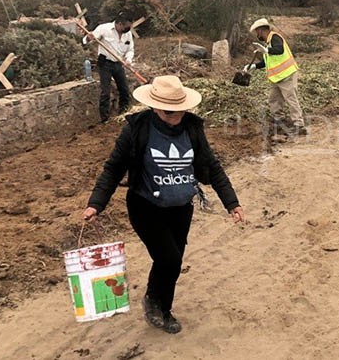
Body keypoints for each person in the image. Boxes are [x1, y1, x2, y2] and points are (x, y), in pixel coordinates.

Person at [82, 75, 245, 334]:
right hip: (145, 207)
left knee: (172, 261)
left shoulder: (192, 128)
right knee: (168, 259)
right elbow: (113, 168)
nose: (174, 116)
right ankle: (157, 305)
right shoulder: (138, 129)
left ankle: (159, 303)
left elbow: (212, 167)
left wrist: (231, 202)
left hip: (181, 207)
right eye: (169, 111)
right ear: (154, 106)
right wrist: (96, 204)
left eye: (179, 110)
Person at [243, 18, 306, 135]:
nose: (257, 35)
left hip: (287, 75)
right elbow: (268, 61)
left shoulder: (275, 38)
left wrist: (266, 50)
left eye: (257, 32)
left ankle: (298, 124)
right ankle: (279, 120)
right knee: (274, 99)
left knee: (291, 98)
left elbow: (279, 50)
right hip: (276, 77)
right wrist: (254, 66)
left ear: (262, 30)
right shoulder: (268, 43)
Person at [83, 13, 135, 122]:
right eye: (127, 26)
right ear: (120, 24)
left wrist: (128, 60)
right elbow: (87, 41)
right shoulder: (104, 29)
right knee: (105, 92)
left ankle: (123, 114)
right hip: (105, 63)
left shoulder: (128, 34)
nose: (128, 29)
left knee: (124, 90)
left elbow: (130, 49)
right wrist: (88, 38)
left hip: (118, 64)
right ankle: (105, 119)